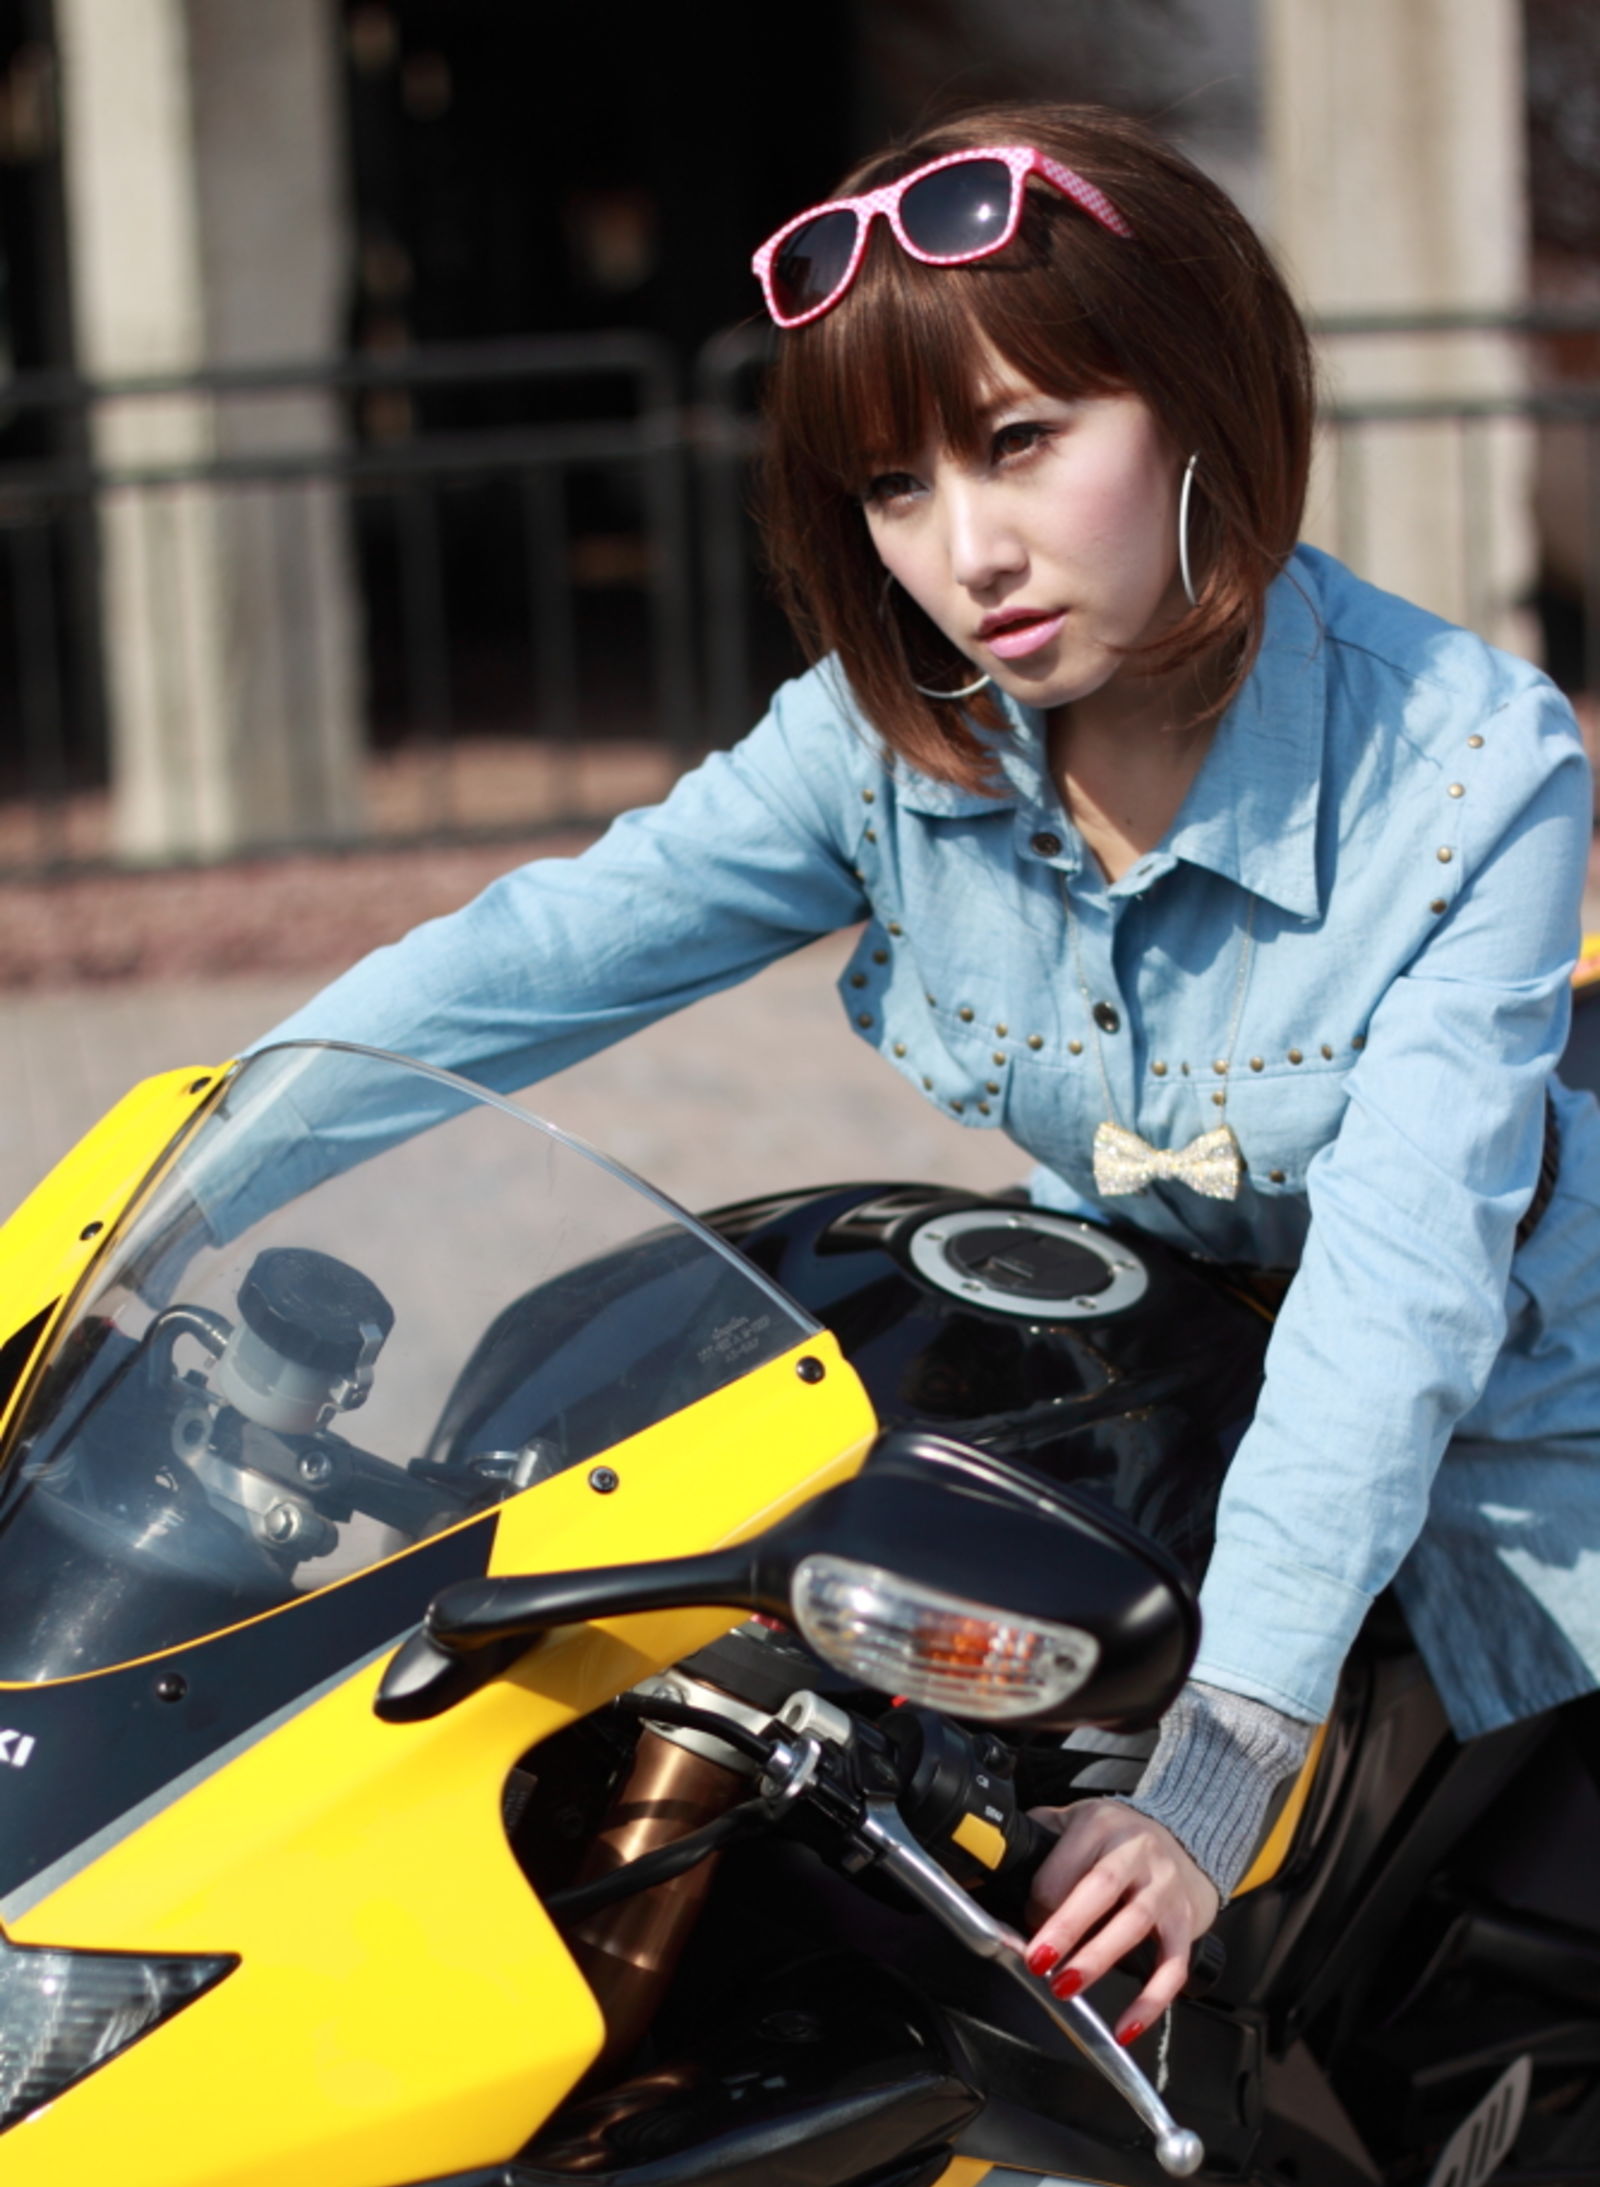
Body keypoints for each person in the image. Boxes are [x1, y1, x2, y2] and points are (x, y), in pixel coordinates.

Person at [263, 103, 1598, 2049]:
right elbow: (531, 960)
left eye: (1022, 440)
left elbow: (1397, 1295)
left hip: (1506, 1450)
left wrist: (1215, 1769)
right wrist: (172, 1175)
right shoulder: (890, 744)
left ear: (1202, 400)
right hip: (1145, 1393)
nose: (965, 554)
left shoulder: (1469, 766)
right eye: (895, 484)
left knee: (1407, 2024)